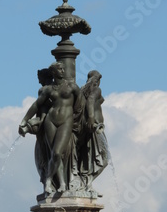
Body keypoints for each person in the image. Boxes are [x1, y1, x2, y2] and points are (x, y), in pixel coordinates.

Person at [19, 62, 82, 193]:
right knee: (53, 153)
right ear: (54, 72)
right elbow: (36, 105)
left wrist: (75, 118)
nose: (63, 70)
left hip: (66, 121)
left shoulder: (72, 87)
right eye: (60, 69)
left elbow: (80, 104)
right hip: (50, 121)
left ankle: (49, 179)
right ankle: (60, 183)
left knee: (58, 152)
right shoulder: (49, 89)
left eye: (63, 68)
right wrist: (24, 120)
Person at [77, 70, 109, 191]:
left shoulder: (82, 91)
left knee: (87, 157)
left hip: (88, 128)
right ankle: (88, 182)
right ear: (98, 80)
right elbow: (91, 100)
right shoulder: (96, 90)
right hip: (95, 127)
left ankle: (85, 182)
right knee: (105, 159)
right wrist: (91, 118)